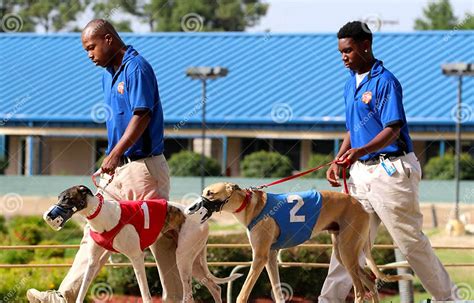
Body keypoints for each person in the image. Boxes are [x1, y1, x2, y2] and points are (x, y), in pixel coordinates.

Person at [27, 19, 183, 302]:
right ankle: (65, 295)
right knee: (95, 227)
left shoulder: (137, 67)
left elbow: (142, 115)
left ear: (109, 39)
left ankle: (178, 299)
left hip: (145, 168)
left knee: (162, 239)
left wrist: (113, 153)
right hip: (118, 171)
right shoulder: (107, 75)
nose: (89, 55)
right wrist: (112, 157)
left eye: (91, 47)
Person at [318, 21, 457, 302]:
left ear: (365, 46)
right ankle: (327, 300)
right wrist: (340, 158)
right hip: (360, 174)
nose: (344, 57)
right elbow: (352, 129)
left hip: (391, 171)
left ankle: (450, 300)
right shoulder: (349, 84)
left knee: (410, 243)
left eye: (349, 51)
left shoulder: (385, 81)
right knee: (347, 241)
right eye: (340, 52)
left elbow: (392, 128)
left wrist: (359, 151)